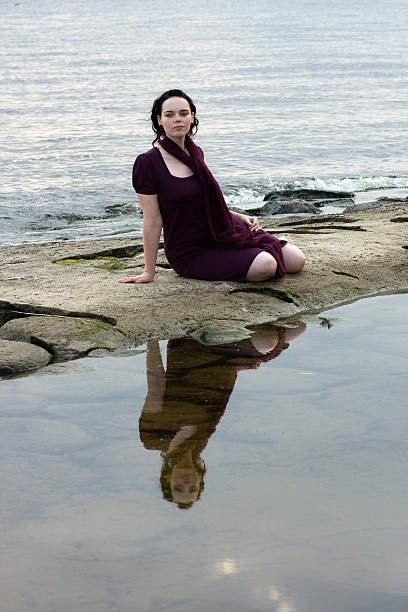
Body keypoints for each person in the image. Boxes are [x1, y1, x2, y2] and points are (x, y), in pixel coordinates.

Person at [119, 89, 305, 285]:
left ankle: (252, 249)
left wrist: (236, 215)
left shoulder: (195, 152)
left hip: (221, 234)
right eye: (169, 115)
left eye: (183, 113)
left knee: (296, 260)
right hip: (190, 251)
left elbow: (203, 201)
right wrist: (149, 272)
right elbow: (152, 220)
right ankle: (255, 254)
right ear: (159, 120)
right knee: (266, 265)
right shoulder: (147, 163)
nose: (177, 119)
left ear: (192, 117)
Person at [139, 323, 306, 508]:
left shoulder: (153, 437)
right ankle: (237, 324)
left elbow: (155, 382)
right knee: (298, 328)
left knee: (269, 340)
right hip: (224, 362)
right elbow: (214, 396)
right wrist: (239, 367)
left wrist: (151, 338)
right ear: (199, 478)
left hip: (194, 353)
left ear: (167, 478)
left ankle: (228, 322)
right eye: (192, 487)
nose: (186, 483)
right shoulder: (198, 444)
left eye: (179, 487)